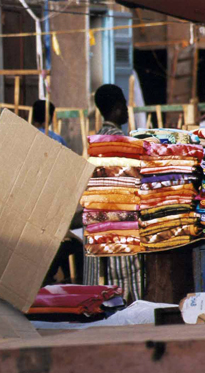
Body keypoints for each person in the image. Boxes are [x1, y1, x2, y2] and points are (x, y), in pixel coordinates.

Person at [83, 84, 142, 301]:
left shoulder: (93, 143)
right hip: (120, 225)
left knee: (99, 293)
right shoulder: (124, 143)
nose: (127, 110)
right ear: (118, 108)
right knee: (126, 290)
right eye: (125, 106)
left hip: (95, 224)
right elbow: (136, 184)